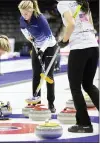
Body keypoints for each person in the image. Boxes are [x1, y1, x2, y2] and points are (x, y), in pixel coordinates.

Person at [57, 0, 99, 133]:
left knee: (75, 87)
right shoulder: (82, 1)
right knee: (88, 85)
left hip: (80, 48)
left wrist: (64, 41)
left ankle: (85, 124)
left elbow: (71, 24)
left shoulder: (62, 4)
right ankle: (82, 121)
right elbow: (91, 25)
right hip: (93, 46)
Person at [18, 0, 58, 113]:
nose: (24, 16)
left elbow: (49, 38)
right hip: (36, 46)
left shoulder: (40, 19)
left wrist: (42, 50)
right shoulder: (22, 19)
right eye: (22, 13)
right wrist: (29, 38)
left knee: (48, 76)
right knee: (36, 74)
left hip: (49, 47)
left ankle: (51, 103)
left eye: (26, 13)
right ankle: (36, 101)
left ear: (31, 10)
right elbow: (23, 30)